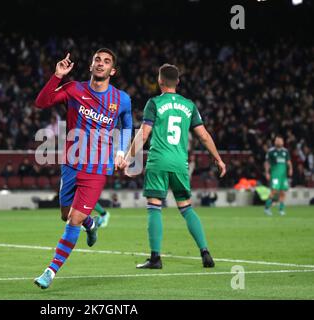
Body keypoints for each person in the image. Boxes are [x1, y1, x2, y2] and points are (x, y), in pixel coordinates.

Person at [33, 49, 132, 289]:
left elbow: (127, 123)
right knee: (66, 215)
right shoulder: (74, 89)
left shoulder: (122, 99)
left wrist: (121, 152)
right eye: (97, 60)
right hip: (71, 164)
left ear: (113, 71)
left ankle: (50, 271)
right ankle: (92, 223)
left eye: (106, 61)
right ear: (90, 65)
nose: (101, 64)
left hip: (97, 168)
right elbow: (41, 103)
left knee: (72, 221)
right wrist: (57, 76)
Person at [122, 63, 226, 269]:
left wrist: (128, 157)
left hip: (159, 161)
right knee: (186, 207)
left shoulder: (154, 103)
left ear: (160, 81)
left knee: (154, 207)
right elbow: (204, 136)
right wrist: (218, 159)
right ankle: (205, 252)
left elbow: (143, 134)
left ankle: (155, 258)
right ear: (177, 82)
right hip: (180, 163)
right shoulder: (189, 105)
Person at [264, 135, 293, 216]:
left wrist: (291, 169)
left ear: (283, 142)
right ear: (275, 142)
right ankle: (267, 208)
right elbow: (267, 163)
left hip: (283, 175)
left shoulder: (285, 151)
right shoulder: (271, 151)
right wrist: (267, 172)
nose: (278, 142)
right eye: (277, 140)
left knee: (283, 192)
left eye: (280, 140)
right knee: (274, 191)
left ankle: (281, 209)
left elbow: (288, 161)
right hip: (275, 175)